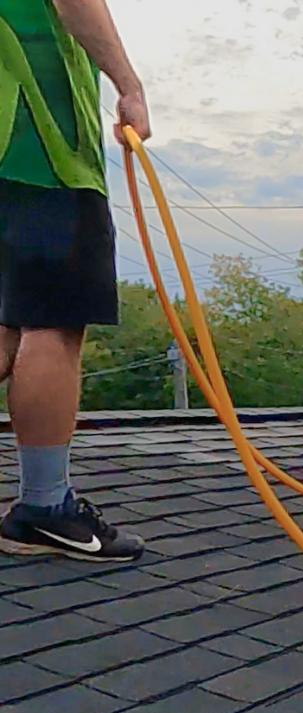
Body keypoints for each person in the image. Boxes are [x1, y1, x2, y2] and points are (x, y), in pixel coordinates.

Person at [0, 0, 151, 561]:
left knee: (11, 324)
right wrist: (129, 85)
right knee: (52, 322)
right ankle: (43, 506)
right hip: (40, 138)